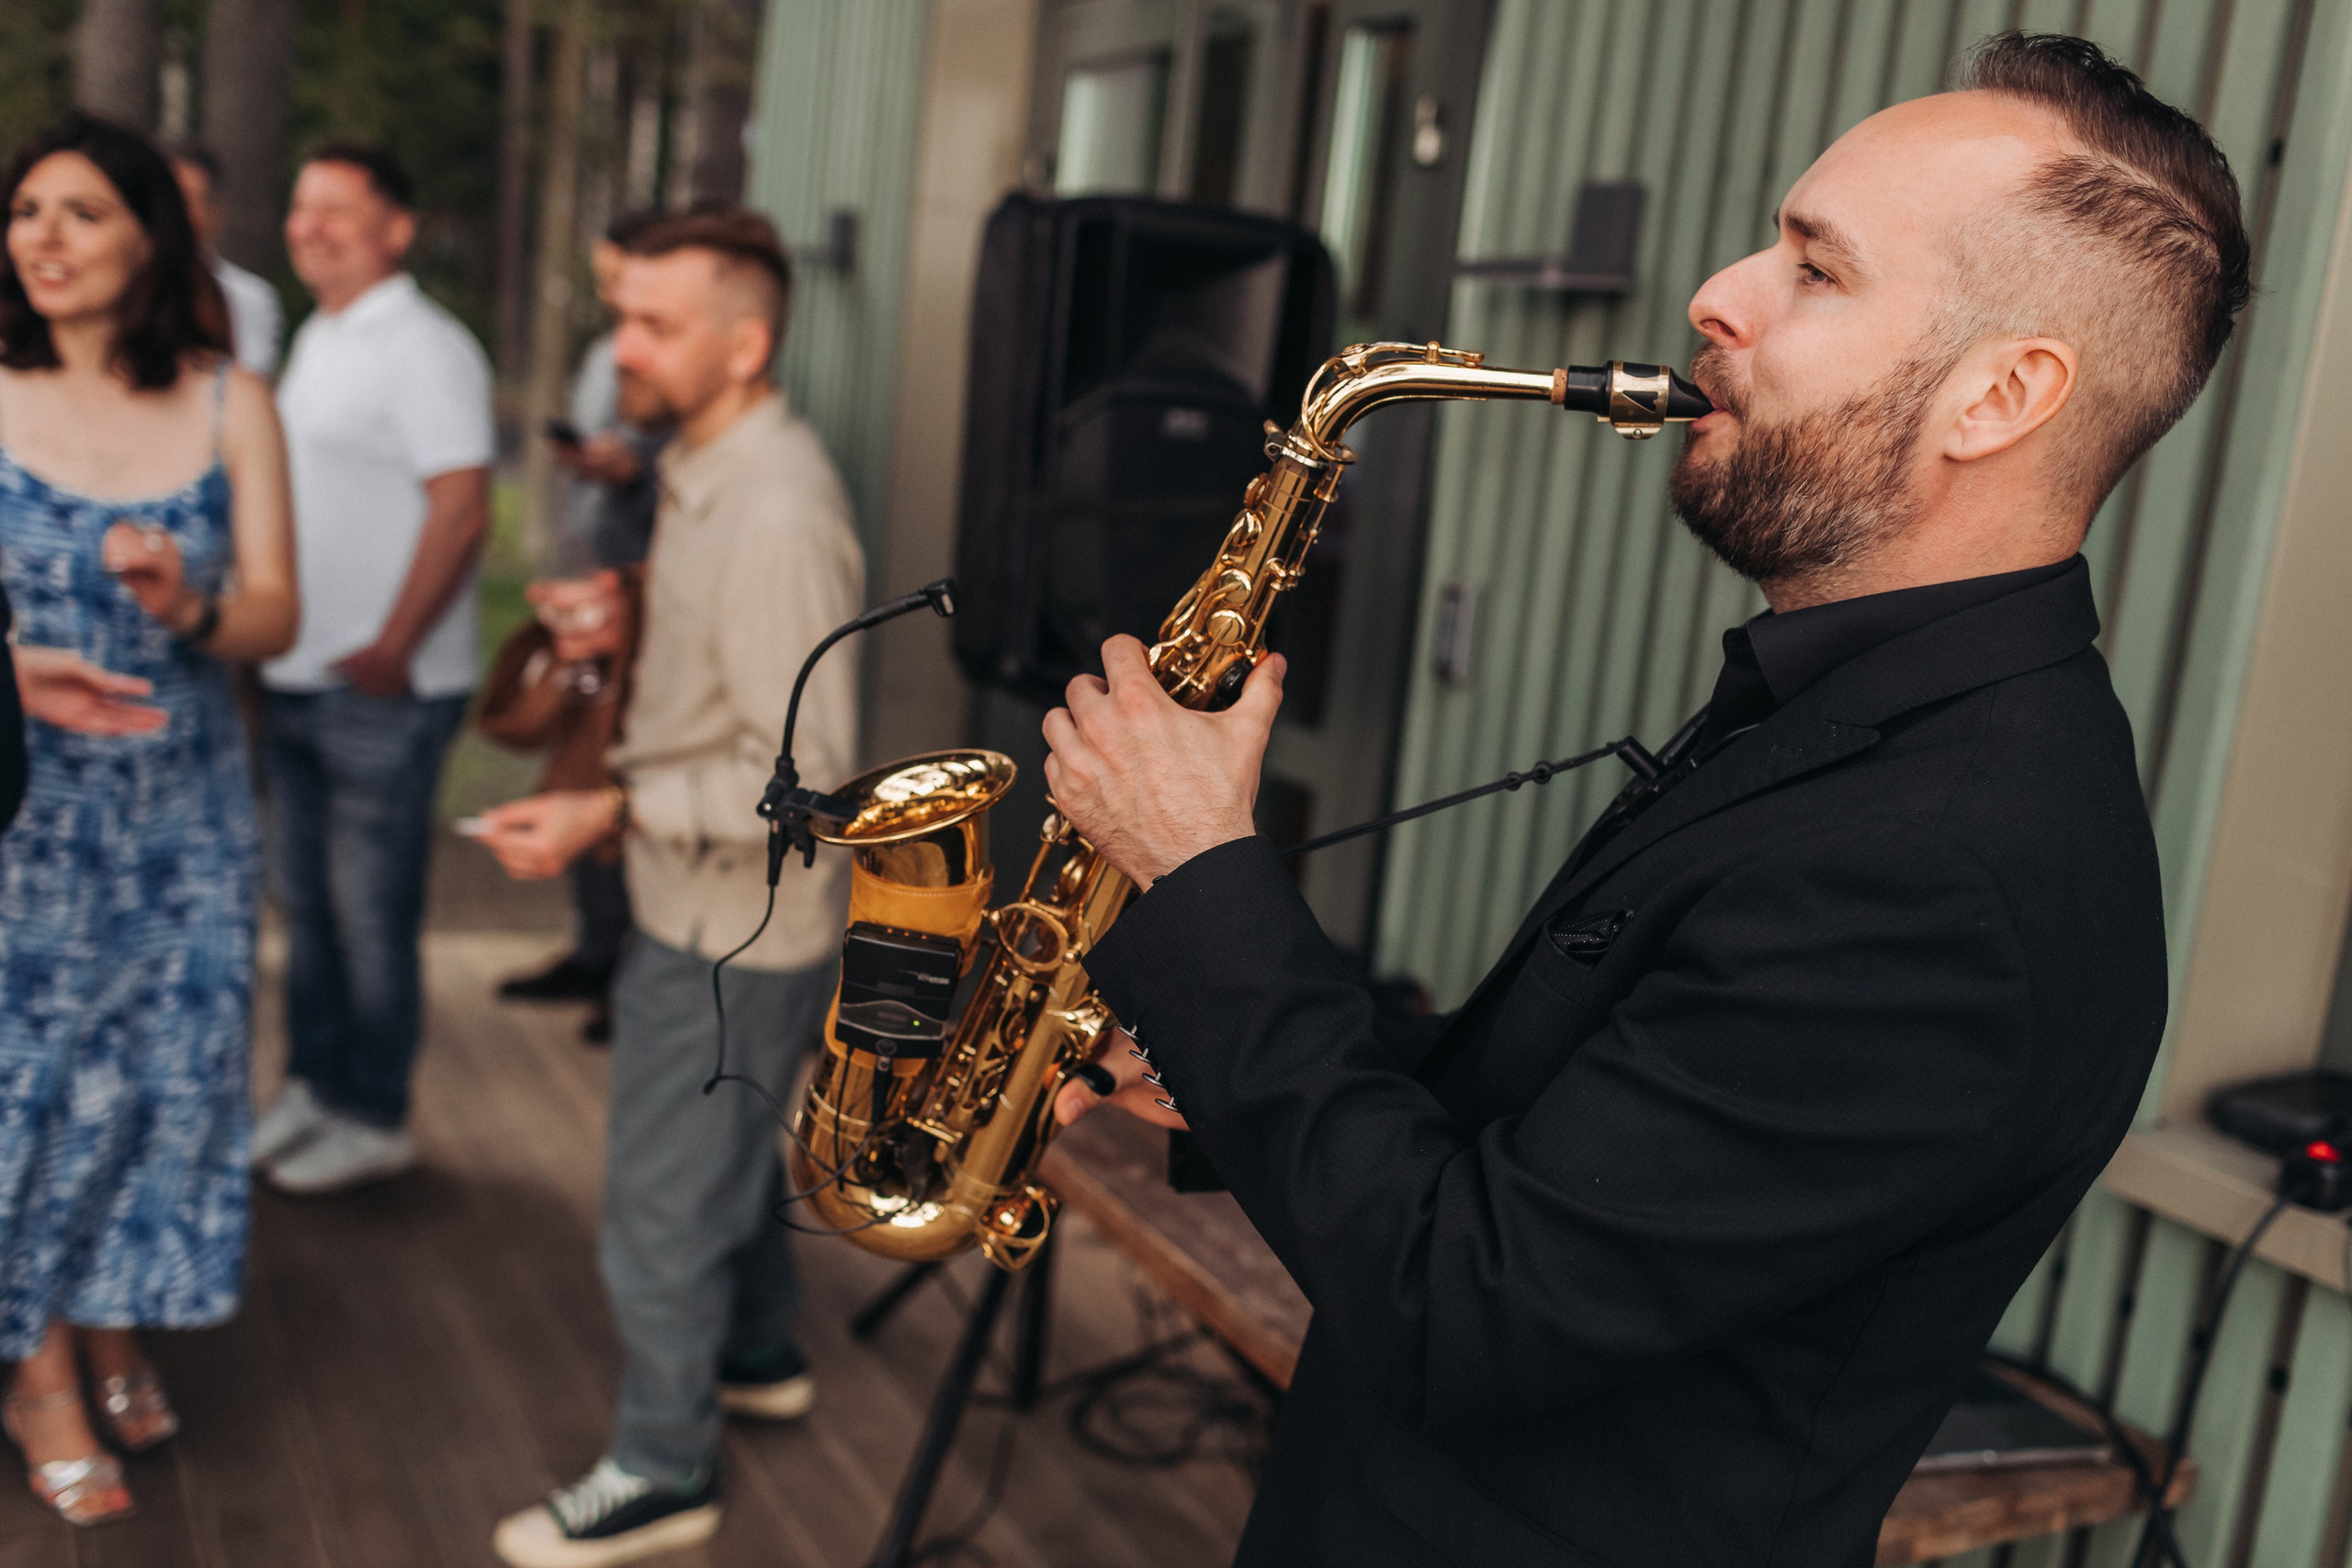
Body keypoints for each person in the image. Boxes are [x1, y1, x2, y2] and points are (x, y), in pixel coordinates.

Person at [1046, 33, 2233, 1568]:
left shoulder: (1952, 875)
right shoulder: (1873, 710)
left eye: (1815, 269)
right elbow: (1583, 1118)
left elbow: (1465, 1307)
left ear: (2000, 394)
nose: (1719, 294)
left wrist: (1205, 873)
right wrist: (1217, 1060)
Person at [473, 206, 860, 1568]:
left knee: (655, 1203)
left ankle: (661, 1460)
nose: (619, 345)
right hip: (689, 906)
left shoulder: (779, 506)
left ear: (744, 344)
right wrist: (629, 606)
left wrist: (611, 806)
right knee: (719, 1162)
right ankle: (757, 1351)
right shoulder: (700, 463)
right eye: (621, 314)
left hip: (728, 928)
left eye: (654, 322)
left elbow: (807, 779)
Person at [0, 115, 299, 1528]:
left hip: (182, 809)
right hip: (22, 819)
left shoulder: (231, 398)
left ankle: (114, 1310)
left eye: (82, 214)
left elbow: (279, 613)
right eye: (27, 211)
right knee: (35, 1093)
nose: (44, 239)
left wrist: (188, 604)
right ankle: (38, 1363)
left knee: (163, 1083)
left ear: (148, 241)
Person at [250, 142, 493, 1196]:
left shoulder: (426, 346)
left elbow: (463, 504)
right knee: (306, 906)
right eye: (302, 208)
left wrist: (394, 643)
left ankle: (375, 1110)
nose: (312, 227)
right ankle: (315, 1084)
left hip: (380, 689)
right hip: (297, 673)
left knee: (368, 911)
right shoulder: (322, 336)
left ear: (396, 227)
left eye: (339, 210)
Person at [497, 209, 673, 1043]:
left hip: (651, 617)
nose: (608, 296)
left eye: (620, 278)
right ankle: (597, 949)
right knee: (582, 761)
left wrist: (634, 466)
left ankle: (631, 972)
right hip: (600, 595)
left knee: (626, 781)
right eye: (604, 280)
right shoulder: (607, 355)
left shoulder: (681, 370)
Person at [166, 143, 283, 378]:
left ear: (215, 215)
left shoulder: (251, 300)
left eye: (185, 202)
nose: (170, 213)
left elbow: (249, 379)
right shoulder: (117, 287)